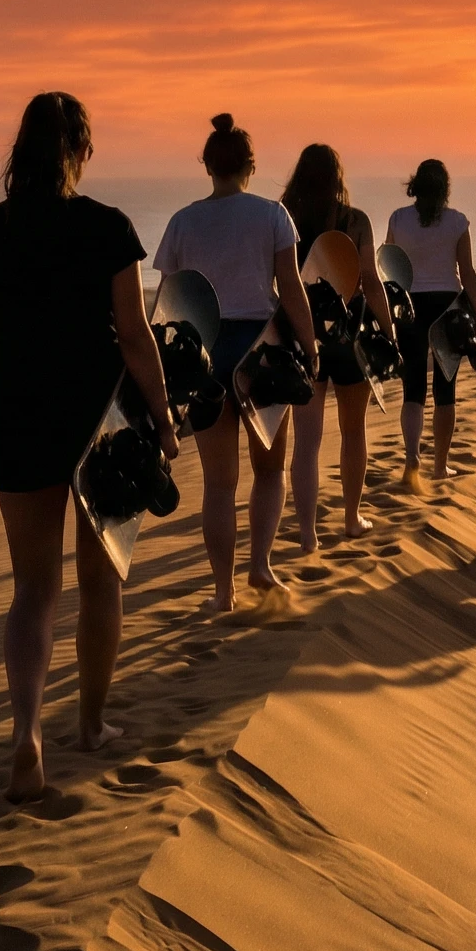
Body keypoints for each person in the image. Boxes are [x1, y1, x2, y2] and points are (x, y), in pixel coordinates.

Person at [0, 93, 178, 804]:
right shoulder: (108, 227)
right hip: (100, 425)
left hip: (21, 417)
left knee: (32, 592)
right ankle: (88, 724)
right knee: (101, 581)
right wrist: (165, 418)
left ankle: (28, 733)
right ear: (81, 152)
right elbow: (135, 334)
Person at [151, 114, 319, 612]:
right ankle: (261, 568)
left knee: (218, 484)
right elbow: (289, 289)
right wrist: (310, 347)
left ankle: (222, 593)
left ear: (207, 166)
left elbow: (167, 302)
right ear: (251, 165)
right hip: (261, 354)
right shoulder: (271, 215)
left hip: (203, 355)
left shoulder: (182, 221)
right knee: (270, 470)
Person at [280, 143, 395, 550]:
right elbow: (370, 280)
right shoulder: (356, 220)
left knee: (306, 442)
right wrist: (390, 331)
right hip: (351, 335)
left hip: (302, 334)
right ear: (337, 178)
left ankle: (308, 533)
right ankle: (351, 518)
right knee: (353, 430)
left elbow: (281, 282)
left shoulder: (285, 217)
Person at [385, 159, 476, 487]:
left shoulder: (399, 218)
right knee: (446, 390)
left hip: (410, 305)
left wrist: (387, 309)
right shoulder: (457, 222)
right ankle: (440, 466)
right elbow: (468, 272)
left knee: (412, 388)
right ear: (444, 187)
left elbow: (389, 264)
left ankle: (413, 456)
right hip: (448, 308)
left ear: (416, 184)